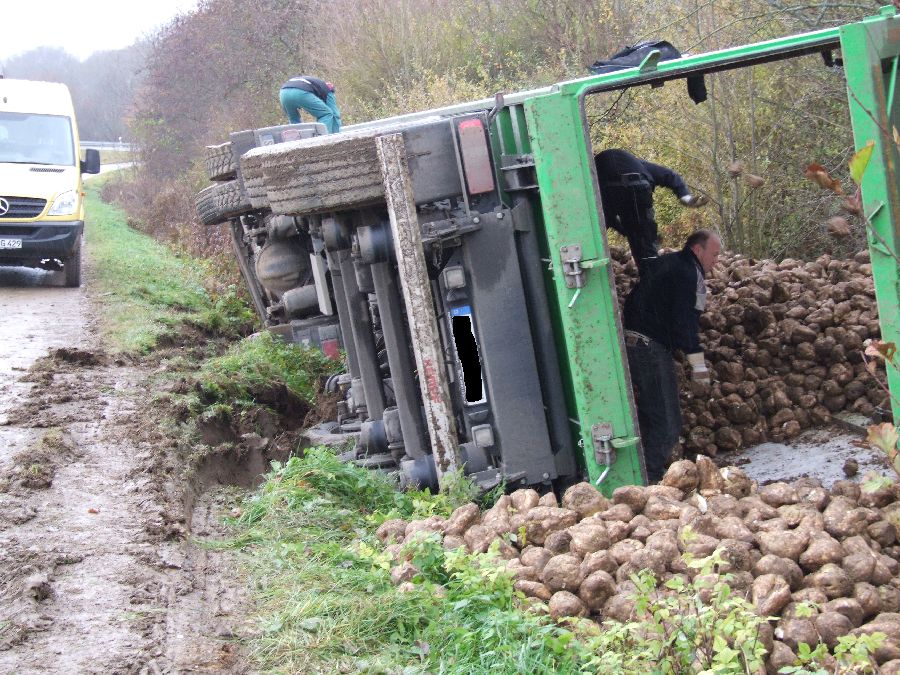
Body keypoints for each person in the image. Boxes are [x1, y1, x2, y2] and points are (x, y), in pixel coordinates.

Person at [622, 229, 721, 482]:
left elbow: (634, 300)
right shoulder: (691, 273)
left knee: (650, 415)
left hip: (633, 343)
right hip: (650, 348)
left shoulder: (665, 263)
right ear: (698, 250)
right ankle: (646, 481)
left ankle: (639, 472)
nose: (716, 261)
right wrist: (698, 365)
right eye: (714, 254)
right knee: (667, 422)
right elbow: (686, 322)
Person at [594, 148, 707, 272]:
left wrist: (625, 230)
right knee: (645, 245)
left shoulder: (592, 168)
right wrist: (685, 197)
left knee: (600, 231)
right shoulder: (637, 163)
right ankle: (653, 274)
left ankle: (651, 278)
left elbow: (607, 216)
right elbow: (669, 175)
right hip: (639, 187)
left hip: (611, 189)